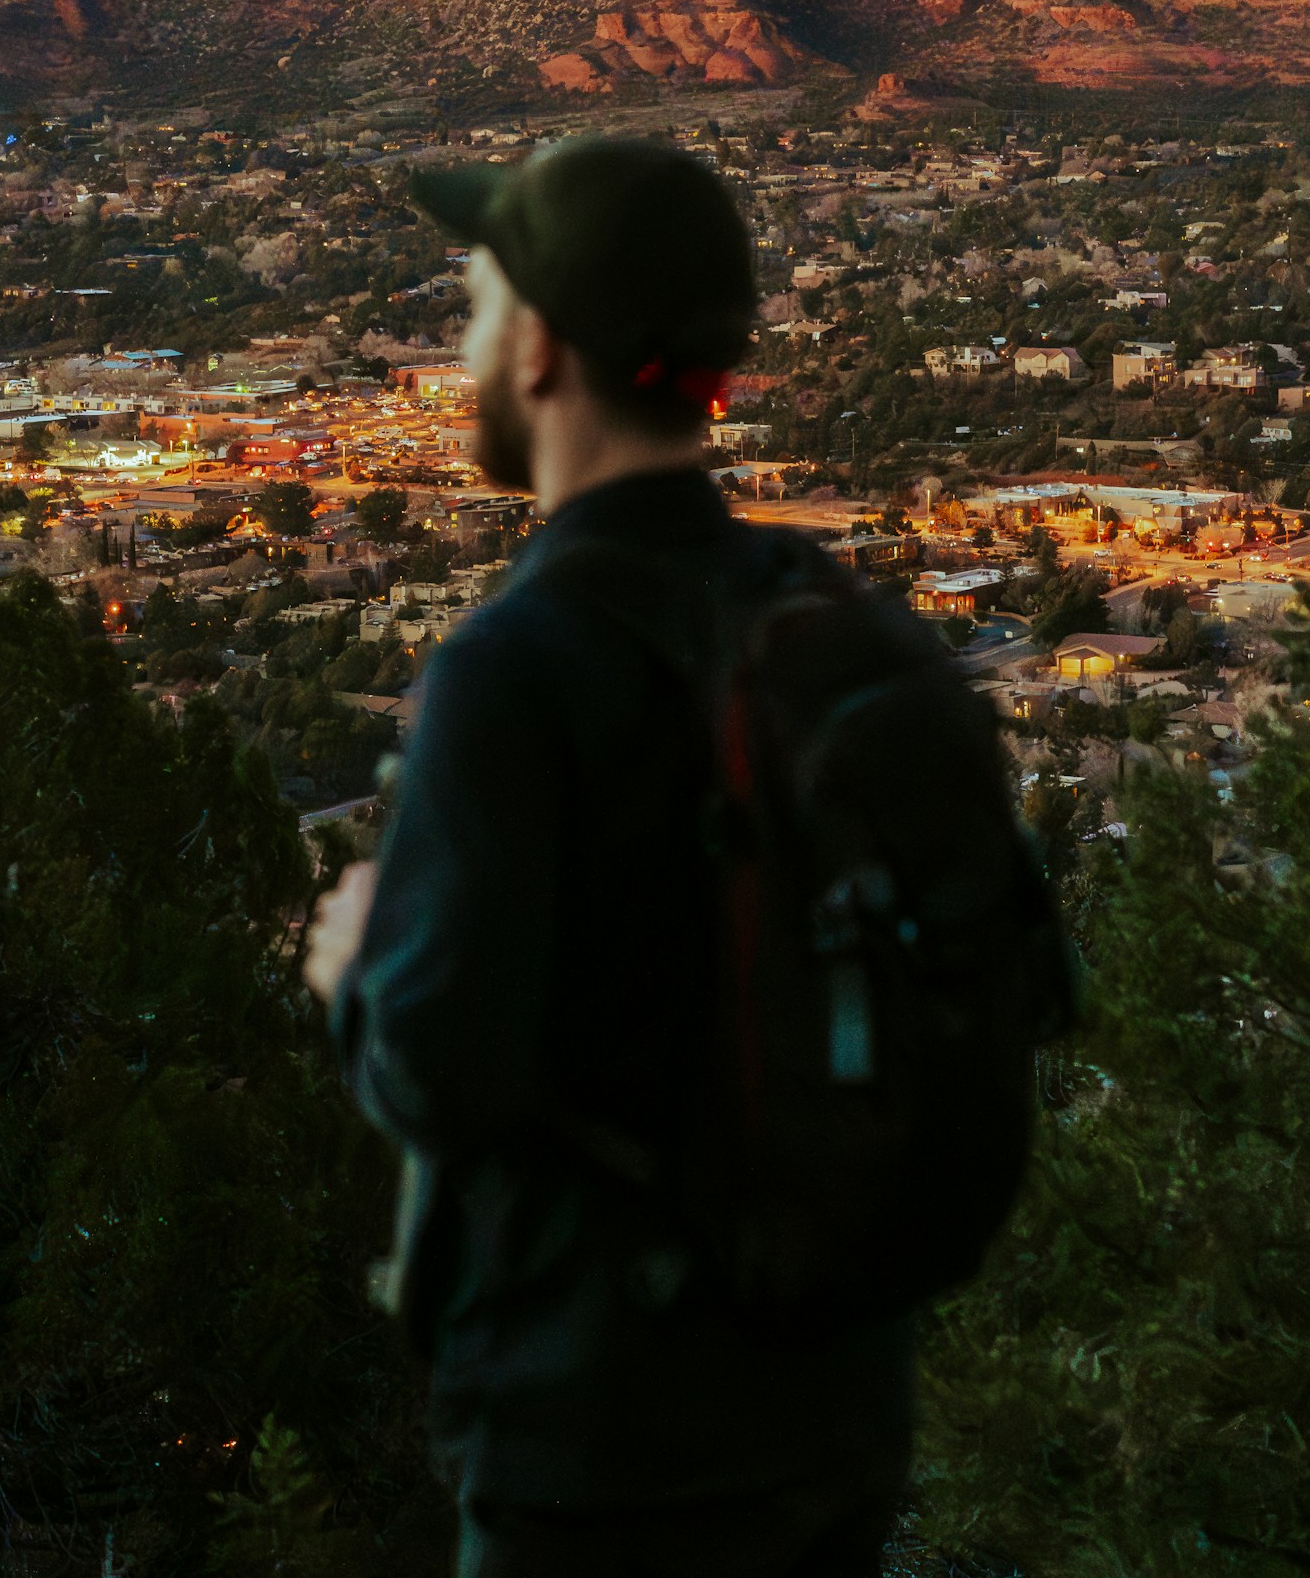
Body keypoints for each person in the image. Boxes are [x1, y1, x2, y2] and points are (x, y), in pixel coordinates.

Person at [305, 134, 915, 1578]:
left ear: (536, 354)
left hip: (599, 1451)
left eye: (471, 313)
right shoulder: (847, 637)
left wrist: (358, 969)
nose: (460, 351)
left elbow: (444, 1076)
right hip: (833, 1428)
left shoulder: (516, 671)